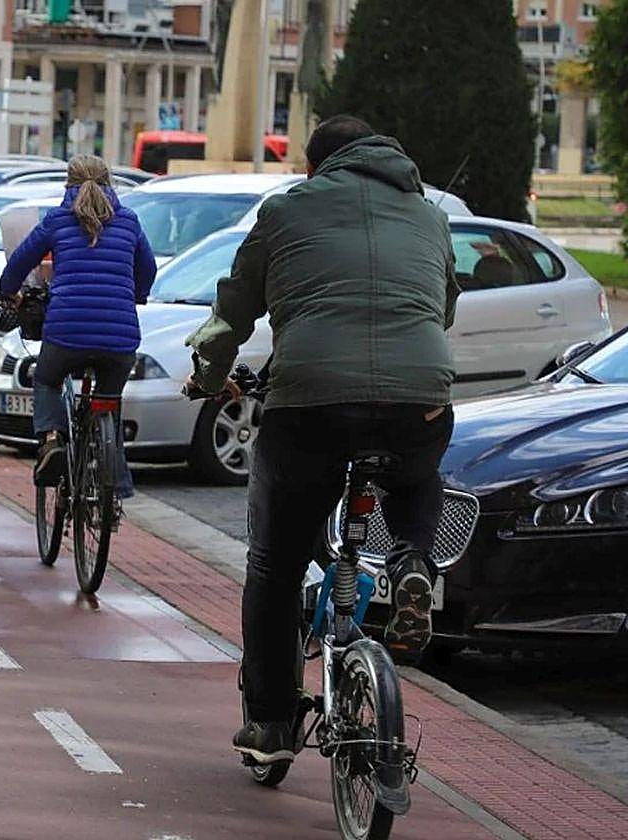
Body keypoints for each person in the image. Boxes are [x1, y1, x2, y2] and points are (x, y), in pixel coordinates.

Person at [185, 115, 459, 765]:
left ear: (316, 167)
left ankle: (272, 725)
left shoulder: (285, 212)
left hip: (310, 403)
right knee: (416, 472)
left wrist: (207, 376)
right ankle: (414, 560)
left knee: (274, 566)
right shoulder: (431, 218)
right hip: (418, 395)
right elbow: (442, 307)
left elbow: (232, 311)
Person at [0, 154, 157, 498]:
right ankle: (112, 489)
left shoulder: (57, 221)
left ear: (68, 184)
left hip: (66, 332)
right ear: (110, 182)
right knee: (109, 402)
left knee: (47, 378)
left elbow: (19, 262)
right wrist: (137, 294)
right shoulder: (129, 221)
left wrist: (8, 293)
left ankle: (53, 439)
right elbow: (148, 269)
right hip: (120, 337)